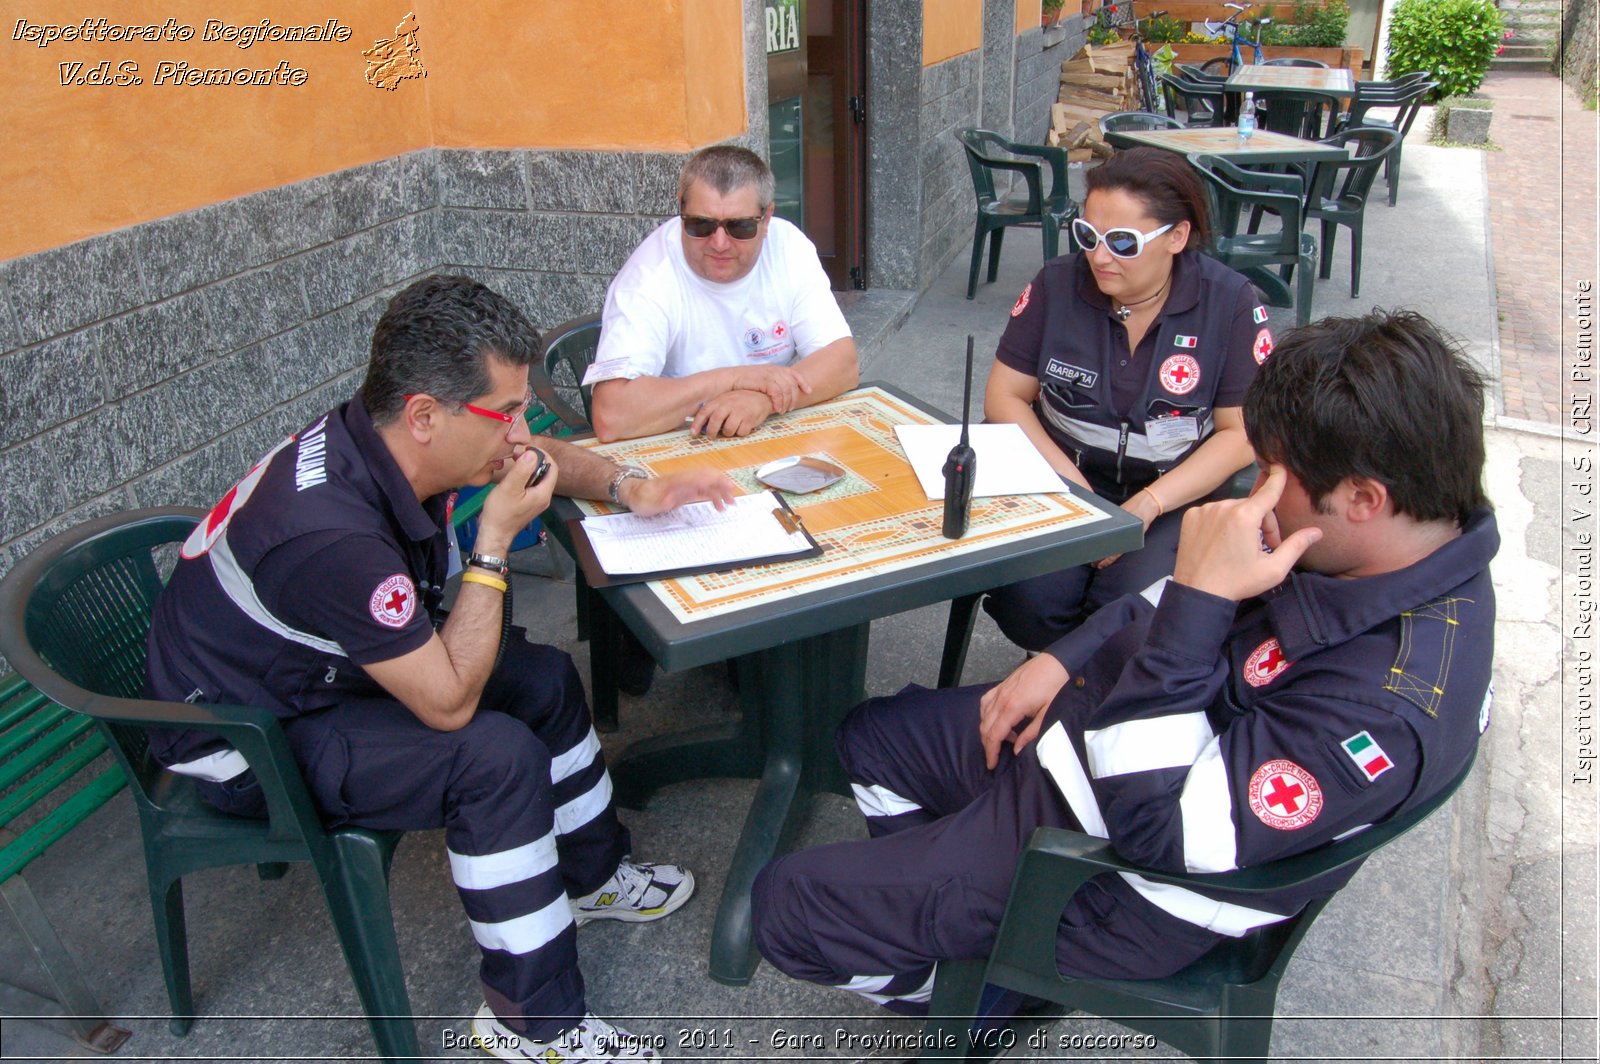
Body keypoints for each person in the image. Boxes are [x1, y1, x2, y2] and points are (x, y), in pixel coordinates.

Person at [751, 309, 1497, 1016]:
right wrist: (1061, 657)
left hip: (1113, 873)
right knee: (869, 739)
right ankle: (951, 918)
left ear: (1364, 497)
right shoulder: (1375, 546)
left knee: (785, 908)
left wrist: (1201, 600)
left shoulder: (1384, 709)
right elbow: (1167, 600)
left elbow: (1164, 833)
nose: (1253, 493)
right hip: (1082, 752)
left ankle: (985, 988)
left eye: (1275, 473)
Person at [145, 275, 738, 1063]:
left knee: (543, 678)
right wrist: (493, 543)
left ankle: (591, 879)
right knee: (492, 759)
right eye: (508, 412)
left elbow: (534, 456)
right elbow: (450, 706)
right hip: (246, 732)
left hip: (315, 665)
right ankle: (534, 1024)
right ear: (425, 414)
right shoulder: (333, 540)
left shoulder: (387, 435)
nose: (523, 431)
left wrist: (637, 486)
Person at [981, 146, 1269, 652]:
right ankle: (1071, 675)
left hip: (1173, 490)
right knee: (1029, 601)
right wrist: (1076, 491)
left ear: (1177, 237)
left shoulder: (1231, 304)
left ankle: (1087, 681)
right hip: (1064, 477)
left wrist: (1149, 505)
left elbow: (1241, 432)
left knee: (1130, 607)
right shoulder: (1056, 284)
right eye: (1088, 236)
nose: (1099, 257)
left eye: (1122, 242)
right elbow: (1004, 396)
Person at [584, 145, 860, 442]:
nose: (719, 243)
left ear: (767, 219)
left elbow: (843, 363)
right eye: (700, 224)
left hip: (766, 429)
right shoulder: (648, 277)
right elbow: (611, 416)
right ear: (681, 209)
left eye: (739, 227)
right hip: (678, 440)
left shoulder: (788, 246)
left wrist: (764, 401)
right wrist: (733, 379)